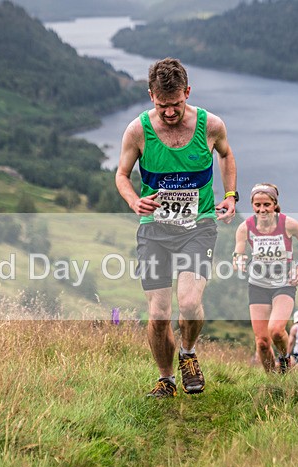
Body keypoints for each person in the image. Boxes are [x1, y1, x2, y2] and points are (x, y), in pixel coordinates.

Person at [115, 58, 238, 398]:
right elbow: (122, 175)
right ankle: (166, 379)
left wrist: (230, 195)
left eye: (177, 105)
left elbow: (226, 156)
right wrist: (133, 201)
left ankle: (188, 353)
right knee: (157, 314)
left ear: (187, 92)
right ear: (151, 95)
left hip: (198, 226)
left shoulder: (210, 125)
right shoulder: (137, 131)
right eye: (162, 105)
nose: (170, 113)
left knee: (187, 303)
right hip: (154, 229)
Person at [233, 183, 298, 372]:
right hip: (258, 285)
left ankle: (285, 358)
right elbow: (238, 252)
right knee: (262, 342)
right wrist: (238, 260)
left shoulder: (288, 224)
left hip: (284, 283)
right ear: (252, 205)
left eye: (266, 205)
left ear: (275, 204)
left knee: (277, 330)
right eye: (257, 205)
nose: (262, 209)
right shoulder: (245, 227)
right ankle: (273, 380)